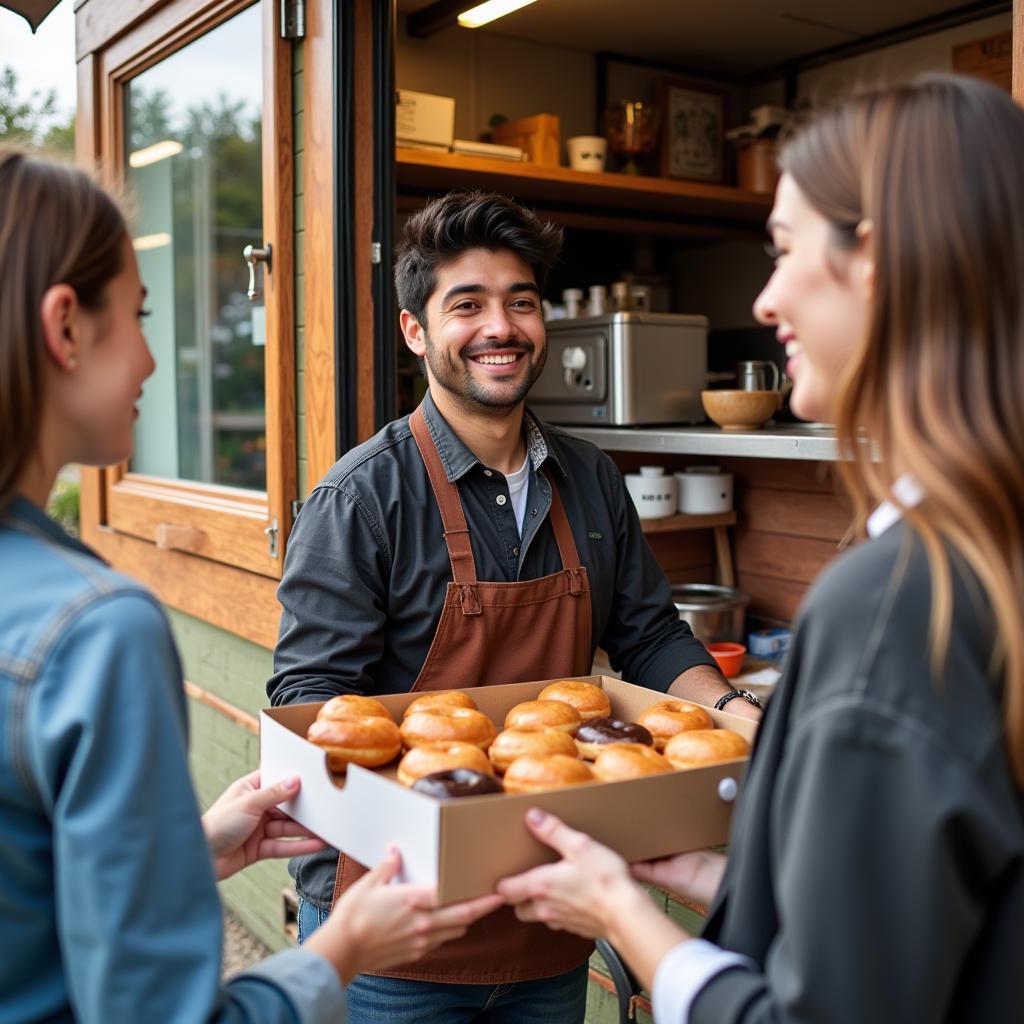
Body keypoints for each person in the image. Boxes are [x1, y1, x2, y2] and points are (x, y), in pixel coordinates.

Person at [496, 74, 1024, 1022]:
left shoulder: (898, 605)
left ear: (882, 262)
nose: (767, 298)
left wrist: (624, 912)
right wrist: (717, 879)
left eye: (782, 251)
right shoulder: (990, 558)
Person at [0, 147, 502, 1024]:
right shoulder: (94, 630)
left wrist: (182, 855)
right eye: (138, 315)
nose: (154, 360)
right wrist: (344, 948)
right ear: (64, 327)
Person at [268, 189, 758, 1023]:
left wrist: (733, 710)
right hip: (399, 931)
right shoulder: (361, 499)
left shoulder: (592, 478)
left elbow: (647, 636)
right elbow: (311, 712)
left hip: (550, 913)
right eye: (468, 305)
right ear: (415, 331)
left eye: (520, 302)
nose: (501, 326)